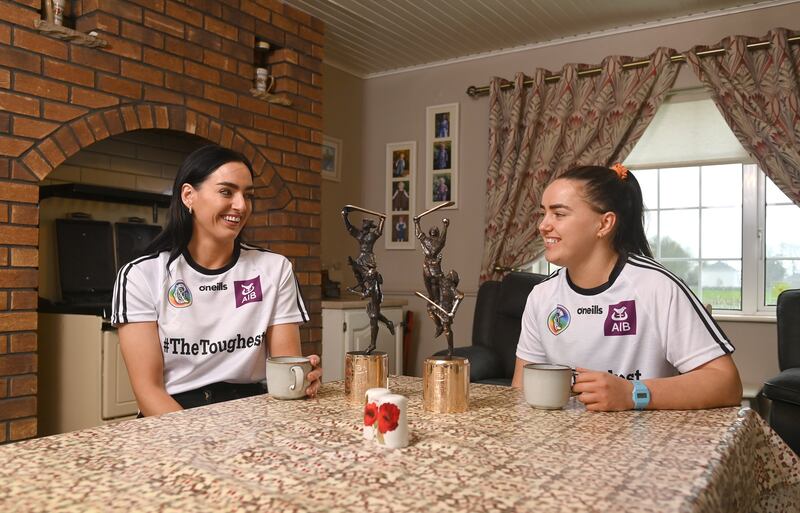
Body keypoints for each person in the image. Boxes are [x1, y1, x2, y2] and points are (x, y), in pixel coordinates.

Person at [111, 145, 322, 416]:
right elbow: (148, 392)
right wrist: (206, 445)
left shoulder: (275, 269)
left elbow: (283, 372)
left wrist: (300, 382)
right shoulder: (142, 275)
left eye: (248, 195)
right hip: (171, 420)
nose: (241, 205)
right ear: (189, 195)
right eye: (226, 191)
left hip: (254, 413)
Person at [511, 164, 742, 411]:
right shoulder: (541, 295)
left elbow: (727, 383)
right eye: (543, 213)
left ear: (604, 224)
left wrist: (633, 393)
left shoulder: (658, 287)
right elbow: (521, 390)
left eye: (559, 214)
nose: (543, 226)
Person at [342, 207, 385, 294]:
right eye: (363, 224)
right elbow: (350, 228)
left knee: (369, 274)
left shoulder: (371, 236)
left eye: (365, 224)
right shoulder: (359, 235)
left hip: (368, 257)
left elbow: (379, 232)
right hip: (361, 256)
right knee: (355, 268)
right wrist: (345, 217)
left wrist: (382, 221)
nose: (363, 225)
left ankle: (371, 289)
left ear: (368, 227)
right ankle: (363, 288)